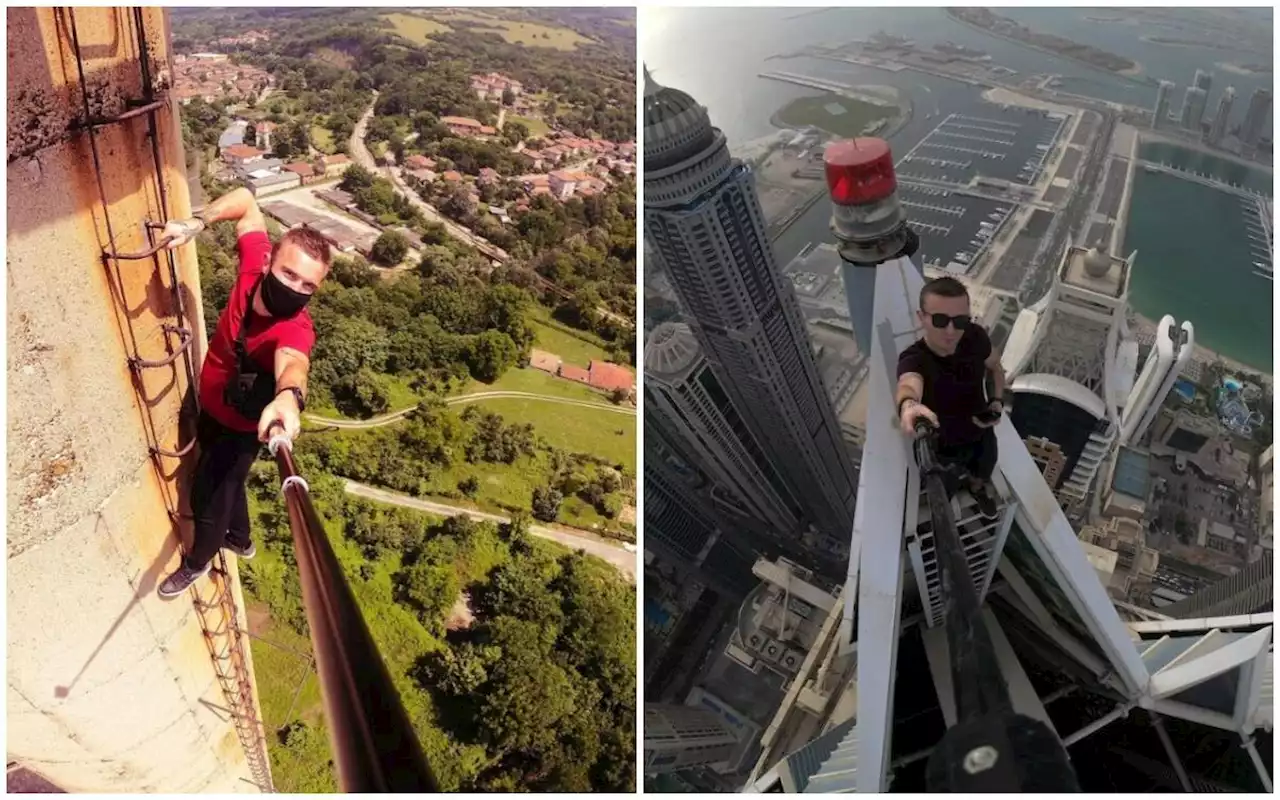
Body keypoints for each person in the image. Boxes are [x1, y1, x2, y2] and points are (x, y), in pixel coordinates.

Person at [158, 187, 331, 598]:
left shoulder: (294, 328)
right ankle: (242, 539)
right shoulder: (254, 267)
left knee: (209, 496)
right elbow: (247, 203)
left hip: (243, 429)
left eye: (308, 285)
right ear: (270, 259)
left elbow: (294, 364)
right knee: (231, 484)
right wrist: (196, 223)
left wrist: (289, 398)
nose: (295, 288)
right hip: (215, 409)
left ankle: (198, 563)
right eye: (290, 274)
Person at [896, 277, 1006, 519]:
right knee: (943, 490)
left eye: (960, 321)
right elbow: (908, 383)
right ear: (921, 317)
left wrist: (997, 402)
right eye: (939, 320)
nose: (950, 330)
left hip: (980, 432)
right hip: (940, 446)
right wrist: (909, 405)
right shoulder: (914, 359)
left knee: (982, 473)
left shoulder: (975, 337)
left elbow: (996, 367)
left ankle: (977, 490)